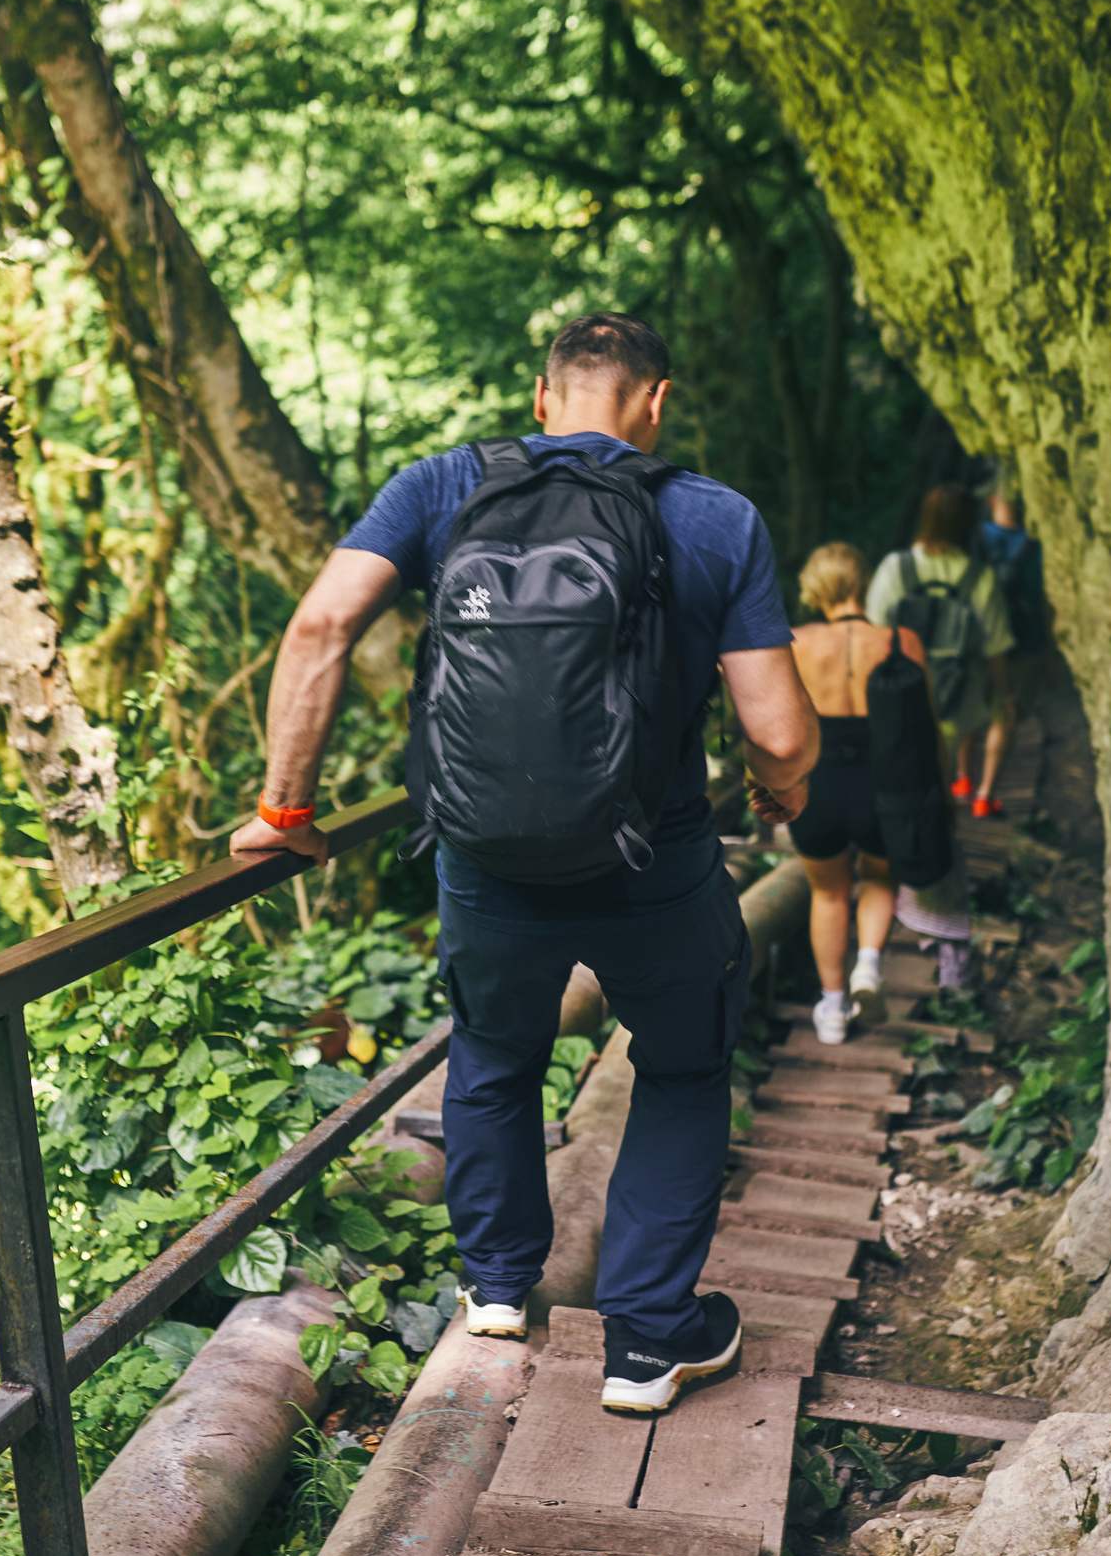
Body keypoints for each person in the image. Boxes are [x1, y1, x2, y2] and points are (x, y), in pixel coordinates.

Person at [231, 313, 818, 1416]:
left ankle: (497, 1286)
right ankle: (648, 1342)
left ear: (541, 400)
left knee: (494, 1054)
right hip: (656, 864)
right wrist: (778, 794)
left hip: (485, 859)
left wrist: (285, 810)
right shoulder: (712, 517)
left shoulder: (441, 488)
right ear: (655, 405)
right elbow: (779, 733)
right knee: (683, 1067)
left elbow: (318, 631)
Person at [784, 542, 926, 1045]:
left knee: (828, 892)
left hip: (815, 785)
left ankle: (832, 1007)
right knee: (880, 879)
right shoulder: (902, 641)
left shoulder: (793, 642)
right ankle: (867, 965)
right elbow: (923, 727)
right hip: (882, 784)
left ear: (815, 588)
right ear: (864, 583)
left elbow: (771, 719)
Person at [866, 483, 1011, 810]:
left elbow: (874, 631)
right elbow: (995, 645)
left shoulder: (895, 568)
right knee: (939, 780)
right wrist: (1005, 693)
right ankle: (943, 833)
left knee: (903, 777)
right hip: (958, 698)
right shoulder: (981, 577)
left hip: (900, 694)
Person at [966, 477, 1049, 817]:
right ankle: (985, 795)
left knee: (969, 712)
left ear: (990, 502)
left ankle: (960, 779)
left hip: (976, 641)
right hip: (1022, 641)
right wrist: (1048, 651)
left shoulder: (976, 540)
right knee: (1006, 715)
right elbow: (1044, 600)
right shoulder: (1035, 545)